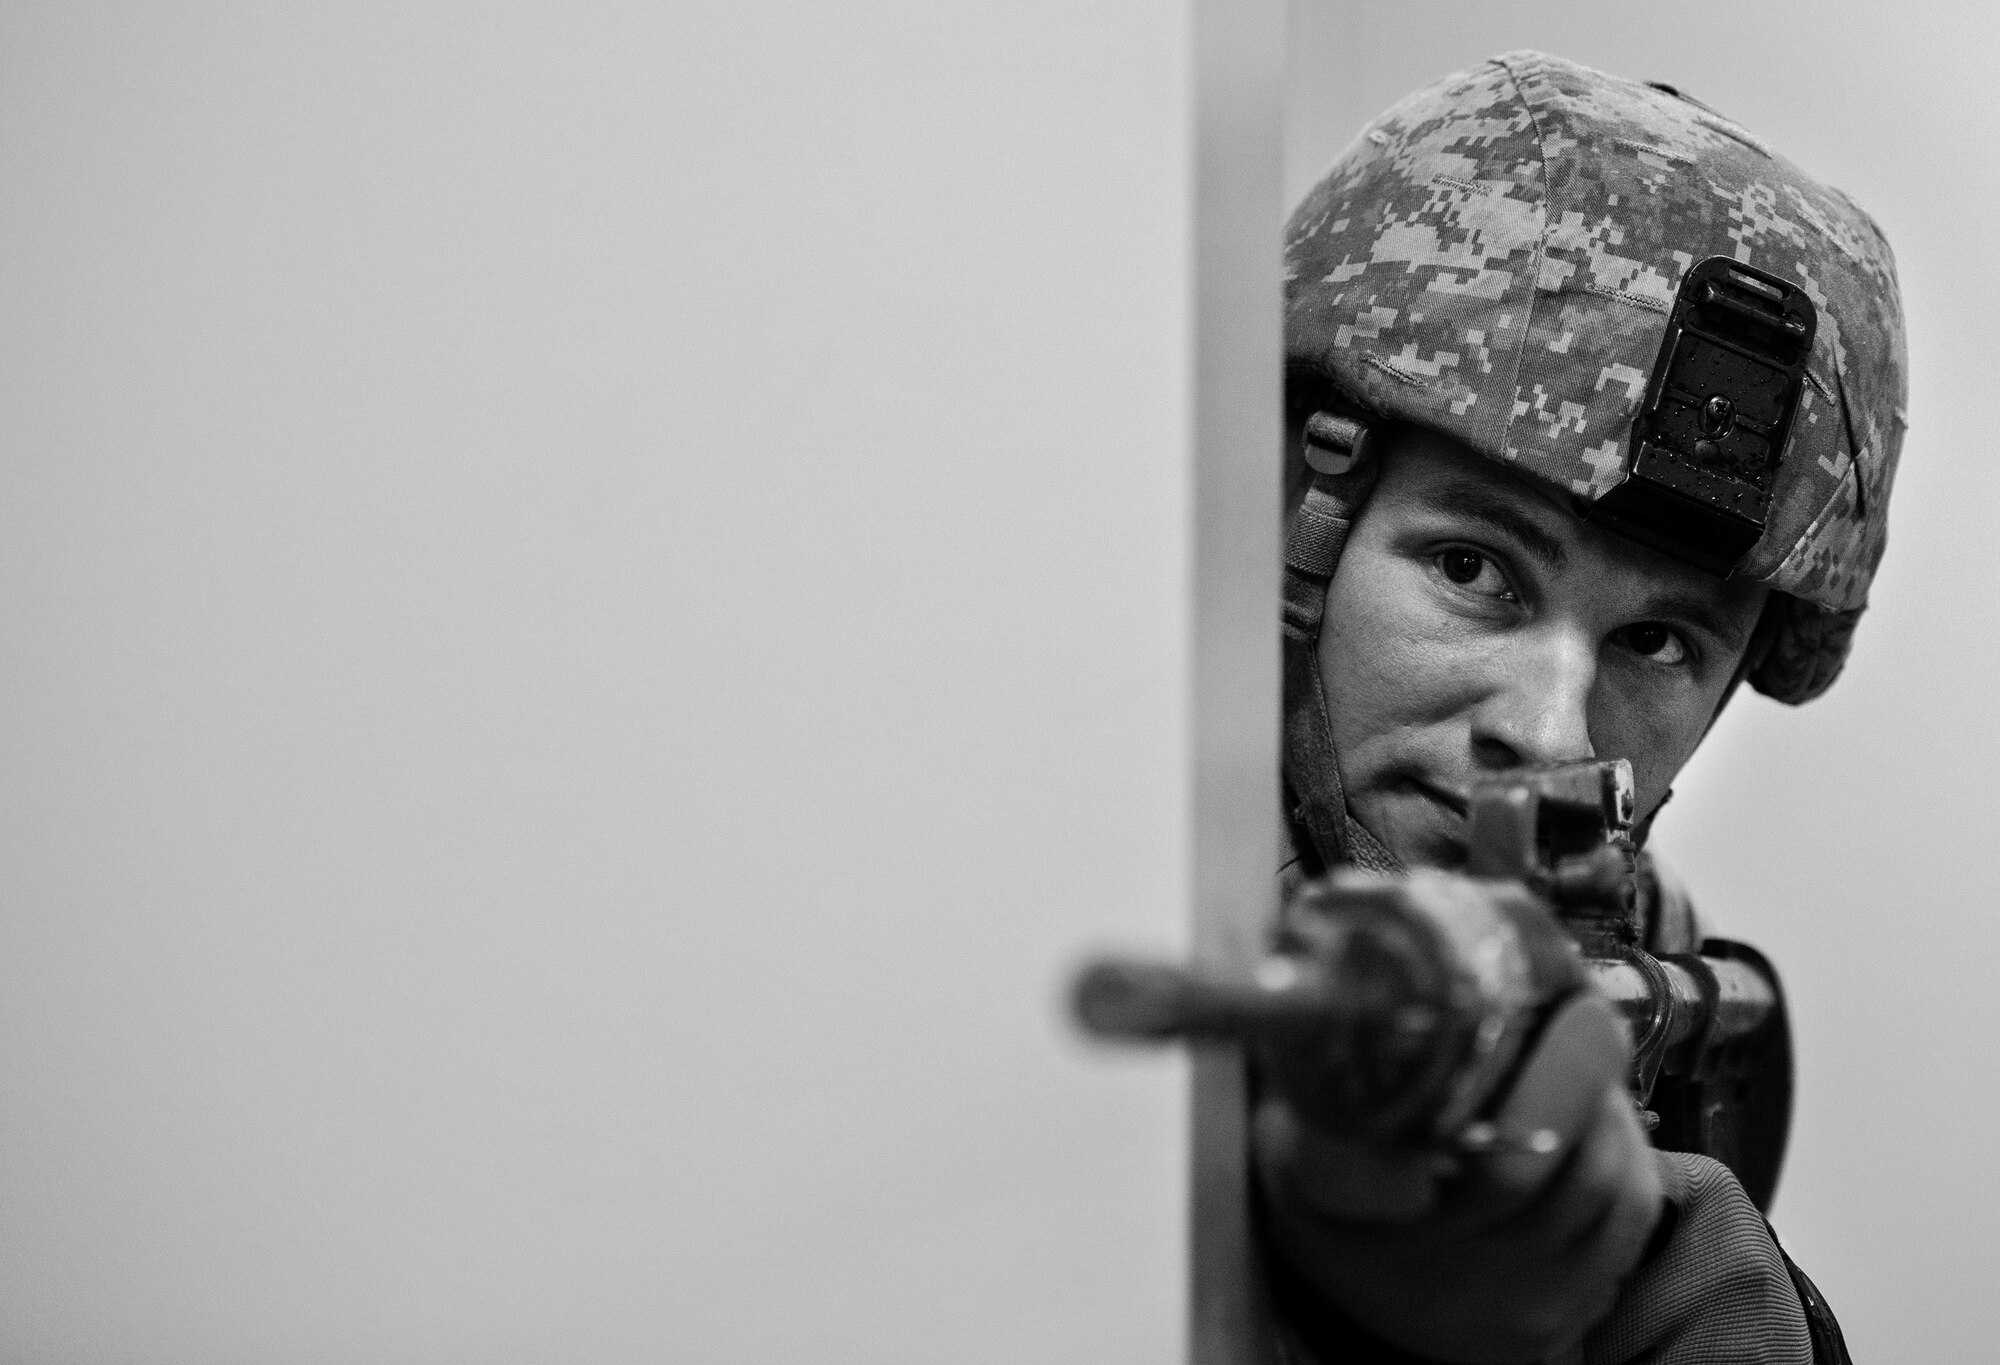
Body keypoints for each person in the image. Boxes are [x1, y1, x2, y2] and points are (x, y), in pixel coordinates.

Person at [1257, 51, 1906, 1364]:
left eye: (1658, 640)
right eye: (1473, 569)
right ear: (1301, 523)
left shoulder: (1658, 1003)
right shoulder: (1076, 874)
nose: (1552, 738)